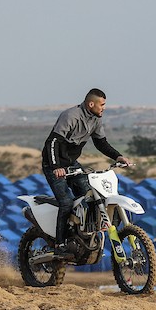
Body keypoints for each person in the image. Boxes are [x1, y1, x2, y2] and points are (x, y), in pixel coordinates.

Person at [41, 88, 132, 254]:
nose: (104, 108)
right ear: (91, 104)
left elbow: (101, 143)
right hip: (53, 164)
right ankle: (60, 244)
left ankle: (80, 235)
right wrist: (55, 167)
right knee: (67, 202)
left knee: (89, 196)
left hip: (71, 163)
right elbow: (52, 142)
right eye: (102, 104)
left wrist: (118, 157)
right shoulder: (71, 116)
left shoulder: (96, 119)